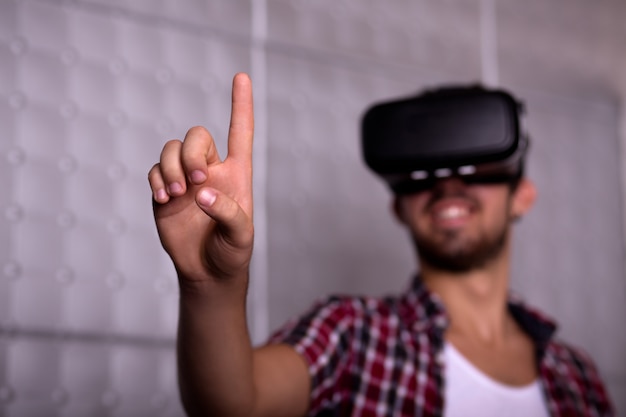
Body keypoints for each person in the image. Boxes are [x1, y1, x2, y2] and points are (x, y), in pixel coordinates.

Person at [148, 73, 614, 417]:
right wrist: (212, 286)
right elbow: (236, 407)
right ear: (398, 208)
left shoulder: (576, 375)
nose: (448, 183)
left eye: (477, 167)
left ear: (523, 197)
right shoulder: (352, 334)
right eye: (421, 174)